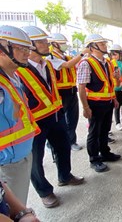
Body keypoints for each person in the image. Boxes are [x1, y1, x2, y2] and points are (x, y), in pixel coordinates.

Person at [17, 26, 84, 208]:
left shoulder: (47, 64)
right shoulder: (18, 70)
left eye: (46, 41)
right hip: (35, 122)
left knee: (63, 147)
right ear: (29, 46)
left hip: (55, 115)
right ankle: (44, 192)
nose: (47, 45)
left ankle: (65, 176)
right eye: (41, 42)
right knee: (36, 159)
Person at [0, 26, 40, 205]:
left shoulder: (13, 77)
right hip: (7, 163)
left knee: (19, 205)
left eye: (28, 49)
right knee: (13, 210)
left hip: (19, 156)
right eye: (20, 49)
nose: (26, 54)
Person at [77, 34, 121, 173]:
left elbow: (109, 83)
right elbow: (81, 88)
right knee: (94, 132)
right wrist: (85, 107)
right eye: (101, 44)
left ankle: (105, 153)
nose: (105, 46)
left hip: (107, 102)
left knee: (105, 130)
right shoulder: (86, 63)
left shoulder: (107, 62)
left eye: (104, 44)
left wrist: (113, 98)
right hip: (94, 104)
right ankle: (94, 159)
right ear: (92, 47)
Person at [47, 33, 89, 151]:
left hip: (71, 91)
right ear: (54, 44)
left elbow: (74, 65)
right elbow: (67, 65)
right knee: (60, 120)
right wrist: (82, 53)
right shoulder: (51, 57)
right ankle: (53, 143)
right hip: (60, 93)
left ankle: (71, 141)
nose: (65, 45)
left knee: (72, 118)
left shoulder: (66, 56)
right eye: (62, 44)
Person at [109, 44, 122, 131]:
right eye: (112, 54)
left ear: (120, 53)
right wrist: (119, 84)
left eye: (115, 54)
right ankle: (117, 122)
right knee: (117, 105)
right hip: (116, 87)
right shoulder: (111, 62)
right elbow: (112, 76)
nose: (114, 56)